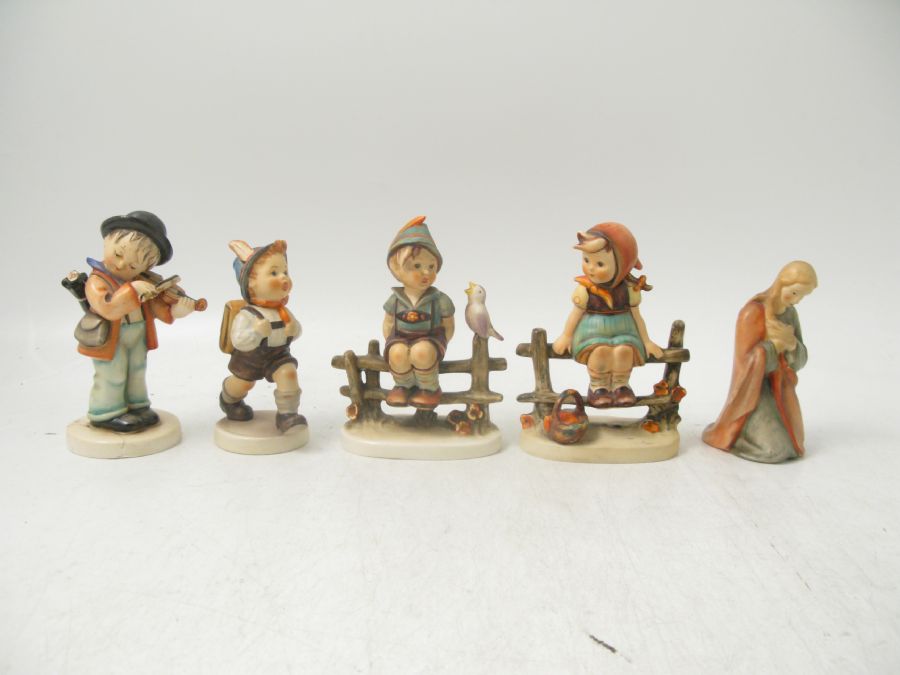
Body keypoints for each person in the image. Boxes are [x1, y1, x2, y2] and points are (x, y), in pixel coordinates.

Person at [80, 211, 195, 431]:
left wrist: (177, 310)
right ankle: (106, 412)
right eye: (118, 253)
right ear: (107, 241)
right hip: (111, 336)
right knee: (113, 373)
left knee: (137, 370)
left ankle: (137, 405)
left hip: (138, 332)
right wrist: (132, 290)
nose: (122, 265)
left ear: (146, 268)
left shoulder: (142, 281)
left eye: (134, 266)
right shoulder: (97, 281)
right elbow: (107, 307)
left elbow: (155, 308)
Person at [702, 261, 818, 463]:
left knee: (792, 448)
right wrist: (774, 346)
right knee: (774, 451)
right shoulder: (753, 312)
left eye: (802, 296)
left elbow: (800, 361)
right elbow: (745, 362)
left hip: (781, 389)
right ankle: (738, 435)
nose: (797, 300)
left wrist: (791, 344)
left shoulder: (790, 314)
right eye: (794, 293)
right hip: (754, 393)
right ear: (782, 283)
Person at [552, 222, 663, 407]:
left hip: (625, 331)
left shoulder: (629, 290)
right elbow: (575, 314)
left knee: (625, 351)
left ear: (622, 266)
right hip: (591, 333)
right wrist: (566, 336)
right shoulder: (585, 289)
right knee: (600, 351)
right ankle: (598, 387)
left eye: (600, 264)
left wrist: (646, 341)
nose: (591, 268)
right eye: (586, 260)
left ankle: (621, 385)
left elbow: (637, 317)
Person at [219, 239, 306, 433]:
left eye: (285, 272)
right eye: (274, 273)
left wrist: (294, 329)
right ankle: (229, 399)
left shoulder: (283, 312)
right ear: (251, 283)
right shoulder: (247, 315)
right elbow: (239, 340)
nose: (283, 277)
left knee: (288, 373)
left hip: (278, 355)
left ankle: (287, 415)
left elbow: (296, 331)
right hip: (250, 358)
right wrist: (256, 332)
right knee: (243, 384)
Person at [383, 216, 455, 409]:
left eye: (431, 267)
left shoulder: (439, 300)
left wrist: (442, 343)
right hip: (400, 337)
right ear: (397, 269)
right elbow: (388, 323)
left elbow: (448, 325)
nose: (426, 273)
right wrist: (391, 340)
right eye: (417, 266)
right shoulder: (395, 300)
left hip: (430, 338)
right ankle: (403, 386)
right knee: (397, 354)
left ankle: (429, 389)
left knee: (422, 352)